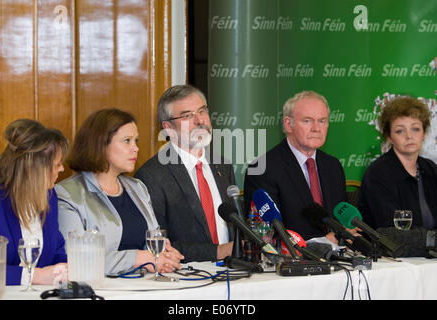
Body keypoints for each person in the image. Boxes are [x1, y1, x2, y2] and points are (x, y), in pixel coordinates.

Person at [55, 109, 183, 276]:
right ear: (100, 144)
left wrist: (164, 254)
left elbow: (153, 242)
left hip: (142, 286)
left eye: (135, 141)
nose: (135, 148)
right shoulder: (67, 194)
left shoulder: (138, 188)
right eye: (127, 141)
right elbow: (76, 260)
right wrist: (139, 258)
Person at [135, 85, 235, 262]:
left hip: (233, 273)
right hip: (187, 279)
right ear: (168, 127)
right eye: (188, 115)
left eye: (202, 111)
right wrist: (219, 252)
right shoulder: (152, 175)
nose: (200, 121)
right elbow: (159, 243)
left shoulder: (222, 165)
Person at [244, 91, 348, 242]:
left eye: (322, 121)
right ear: (288, 124)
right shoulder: (262, 168)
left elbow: (340, 222)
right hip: (291, 261)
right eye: (307, 121)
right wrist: (323, 242)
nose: (316, 128)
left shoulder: (333, 166)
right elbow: (269, 234)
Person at [0, 119, 69, 285]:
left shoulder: (49, 195)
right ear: (33, 168)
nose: (62, 169)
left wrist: (64, 267)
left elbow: (57, 249)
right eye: (57, 164)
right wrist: (34, 276)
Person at [359, 96, 437, 229]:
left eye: (415, 129)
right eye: (400, 130)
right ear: (389, 137)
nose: (409, 136)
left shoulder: (430, 168)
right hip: (394, 248)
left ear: (424, 133)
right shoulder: (377, 174)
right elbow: (394, 231)